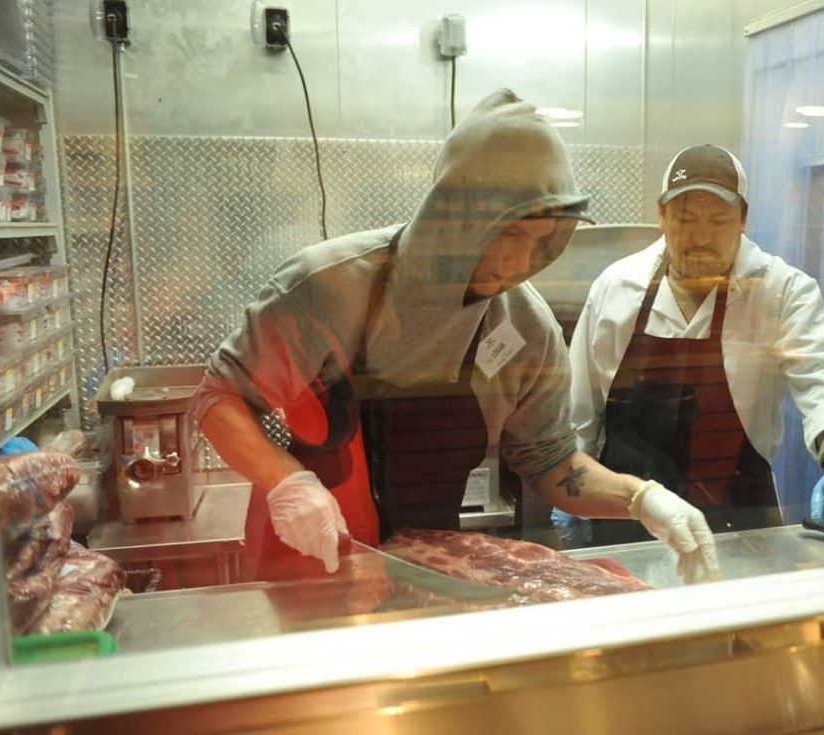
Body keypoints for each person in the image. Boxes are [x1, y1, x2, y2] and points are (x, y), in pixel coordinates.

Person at [196, 91, 720, 584]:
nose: (517, 265)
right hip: (303, 561)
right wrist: (288, 483)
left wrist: (641, 497)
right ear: (454, 219)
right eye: (505, 234)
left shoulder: (524, 328)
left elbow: (549, 461)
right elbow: (219, 398)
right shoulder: (328, 286)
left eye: (543, 243)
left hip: (424, 574)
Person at [563, 144, 824, 546]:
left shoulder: (781, 290)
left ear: (743, 219)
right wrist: (572, 491)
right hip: (626, 516)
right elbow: (580, 407)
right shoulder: (617, 286)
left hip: (738, 518)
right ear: (661, 217)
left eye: (718, 220)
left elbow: (823, 378)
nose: (701, 237)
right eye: (684, 218)